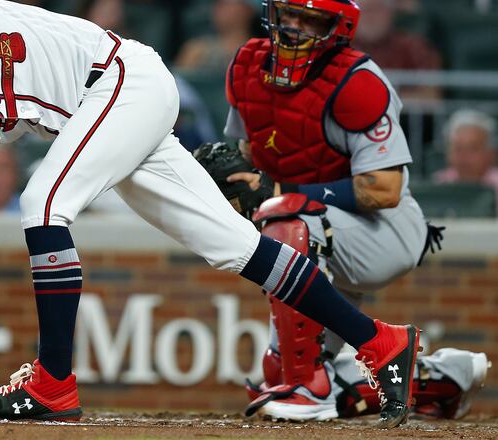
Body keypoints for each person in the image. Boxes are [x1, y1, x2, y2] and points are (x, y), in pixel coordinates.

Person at [0, 0, 421, 428]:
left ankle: (54, 382)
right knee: (236, 246)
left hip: (125, 79)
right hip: (104, 121)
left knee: (43, 200)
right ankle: (382, 342)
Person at [207, 0, 487, 423]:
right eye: (289, 15)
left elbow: (385, 188)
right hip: (316, 231)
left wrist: (282, 190)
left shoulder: (358, 81)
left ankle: (310, 387)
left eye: (310, 19)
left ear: (337, 28)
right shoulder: (249, 67)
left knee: (284, 213)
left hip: (385, 231)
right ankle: (447, 378)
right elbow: (254, 151)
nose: (295, 28)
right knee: (273, 376)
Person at [351, 0, 442, 101]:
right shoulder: (339, 46)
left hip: (404, 116)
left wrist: (379, 101)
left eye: (377, 10)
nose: (370, 17)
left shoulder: (414, 48)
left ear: (391, 13)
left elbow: (431, 97)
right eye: (365, 11)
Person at [433, 109, 498, 211]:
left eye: (472, 148)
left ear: (491, 154)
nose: (464, 157)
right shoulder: (438, 184)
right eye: (458, 149)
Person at [174, 0, 258, 73]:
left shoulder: (262, 53)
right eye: (216, 3)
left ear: (247, 9)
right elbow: (178, 86)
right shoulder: (196, 51)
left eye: (224, 3)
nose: (216, 8)